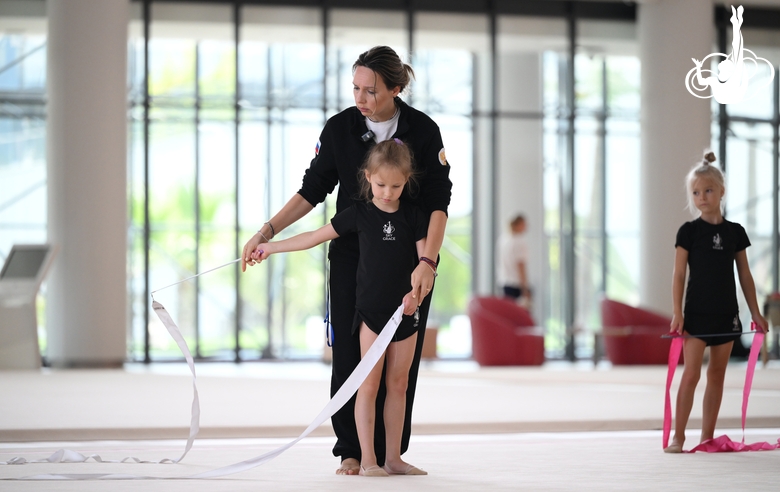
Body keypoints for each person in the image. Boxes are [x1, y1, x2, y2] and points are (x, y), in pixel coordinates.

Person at [241, 46, 452, 475]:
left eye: (371, 91)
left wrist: (427, 263)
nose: (361, 98)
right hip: (353, 258)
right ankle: (353, 451)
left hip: (411, 259)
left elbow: (438, 203)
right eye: (355, 88)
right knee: (348, 356)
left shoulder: (425, 131)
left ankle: (391, 453)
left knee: (398, 368)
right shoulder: (339, 129)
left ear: (395, 88)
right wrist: (267, 233)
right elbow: (311, 190)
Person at [250, 140, 429, 476]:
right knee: (369, 384)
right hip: (373, 315)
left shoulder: (414, 216)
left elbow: (425, 263)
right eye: (380, 185)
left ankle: (393, 458)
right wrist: (271, 247)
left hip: (405, 312)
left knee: (399, 384)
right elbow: (315, 236)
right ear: (367, 177)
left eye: (396, 185)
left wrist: (415, 297)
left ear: (407, 180)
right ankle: (368, 460)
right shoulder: (359, 213)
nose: (388, 193)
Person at [664, 151, 768, 454]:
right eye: (695, 192)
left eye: (708, 190)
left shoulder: (735, 232)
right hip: (695, 315)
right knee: (691, 373)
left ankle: (707, 436)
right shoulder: (689, 232)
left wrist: (756, 312)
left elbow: (746, 276)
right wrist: (677, 313)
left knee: (717, 375)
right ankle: (678, 437)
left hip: (726, 315)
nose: (701, 197)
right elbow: (678, 274)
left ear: (721, 191)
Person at [496, 214, 529, 303]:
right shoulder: (519, 242)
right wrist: (525, 288)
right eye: (524, 224)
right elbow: (520, 266)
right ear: (518, 225)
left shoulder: (503, 239)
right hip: (515, 284)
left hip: (503, 282)